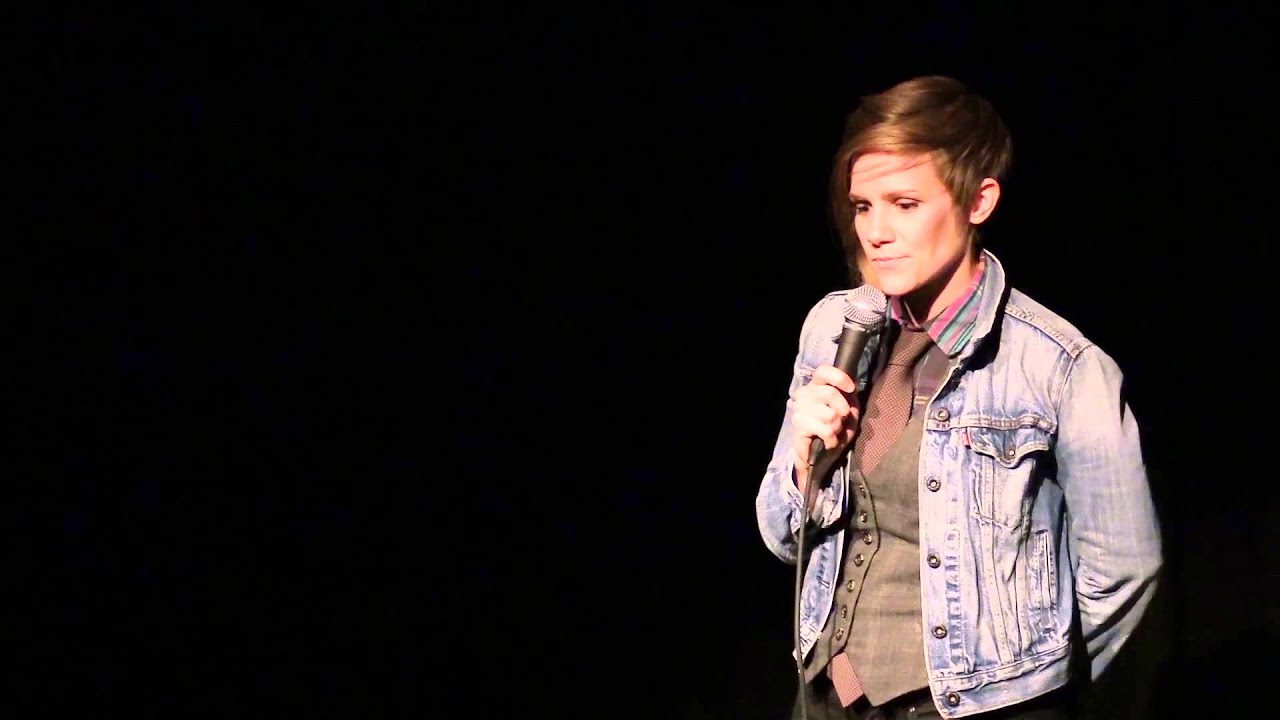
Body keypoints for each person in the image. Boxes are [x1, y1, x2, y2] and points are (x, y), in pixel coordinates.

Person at [755, 75, 1162, 719]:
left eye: (905, 203)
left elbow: (1124, 570)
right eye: (863, 206)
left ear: (979, 201)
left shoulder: (1059, 366)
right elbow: (783, 537)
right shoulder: (834, 328)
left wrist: (1032, 689)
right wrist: (805, 467)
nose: (877, 231)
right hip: (829, 694)